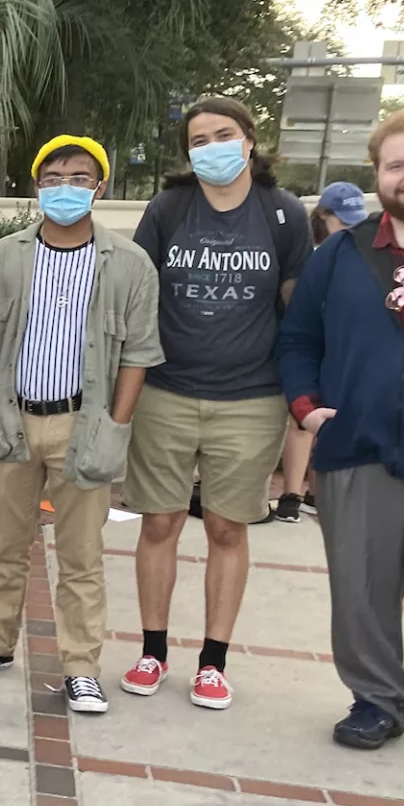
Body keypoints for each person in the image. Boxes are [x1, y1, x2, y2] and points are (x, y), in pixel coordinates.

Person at [0, 137, 162, 715]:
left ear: (101, 186)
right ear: (37, 184)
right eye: (54, 176)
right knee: (4, 546)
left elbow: (138, 353)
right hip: (12, 420)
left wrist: (116, 422)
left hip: (83, 423)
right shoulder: (5, 255)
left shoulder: (130, 263)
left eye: (80, 177)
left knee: (81, 556)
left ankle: (81, 667)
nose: (65, 187)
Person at [122, 97, 311, 710]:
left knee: (228, 527)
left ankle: (213, 662)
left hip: (251, 399)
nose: (212, 148)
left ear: (251, 140)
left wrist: (305, 389)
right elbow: (137, 292)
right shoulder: (169, 208)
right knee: (160, 522)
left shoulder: (283, 215)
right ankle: (152, 651)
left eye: (223, 135)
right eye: (198, 140)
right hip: (167, 391)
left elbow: (297, 307)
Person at [278, 112, 404, 750]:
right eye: (396, 165)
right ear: (378, 176)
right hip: (359, 446)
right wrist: (307, 407)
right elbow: (299, 338)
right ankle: (378, 699)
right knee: (362, 585)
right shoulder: (340, 255)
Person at [276, 180, 371, 521]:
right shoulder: (312, 256)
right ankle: (291, 493)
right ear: (323, 217)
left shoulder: (364, 254)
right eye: (341, 220)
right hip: (311, 345)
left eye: (354, 219)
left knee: (328, 419)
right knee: (301, 419)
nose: (349, 227)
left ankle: (317, 492)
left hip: (341, 349)